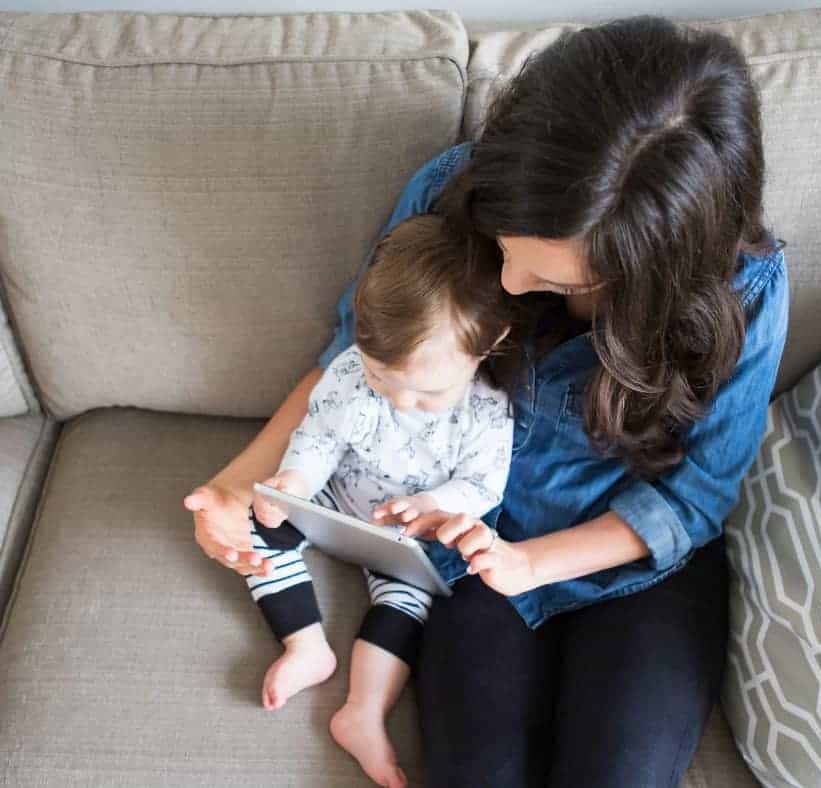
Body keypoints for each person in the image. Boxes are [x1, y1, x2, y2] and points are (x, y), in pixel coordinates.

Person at [187, 16, 789, 788]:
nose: (505, 287)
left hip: (634, 564)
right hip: (471, 555)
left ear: (654, 273)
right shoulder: (449, 192)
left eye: (556, 283)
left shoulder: (745, 291)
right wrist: (243, 486)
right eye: (505, 247)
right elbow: (353, 365)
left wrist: (527, 562)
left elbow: (696, 498)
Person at [233, 214, 513, 787]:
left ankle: (362, 711)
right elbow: (319, 437)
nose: (401, 401)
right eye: (383, 378)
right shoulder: (348, 375)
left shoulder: (485, 411)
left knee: (410, 604)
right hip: (336, 500)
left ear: (488, 347)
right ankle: (306, 645)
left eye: (426, 391)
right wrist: (295, 481)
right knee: (257, 520)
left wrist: (434, 503)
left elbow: (484, 486)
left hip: (407, 540)